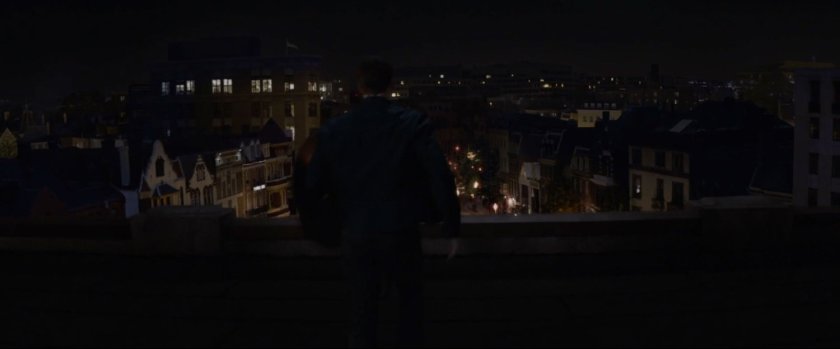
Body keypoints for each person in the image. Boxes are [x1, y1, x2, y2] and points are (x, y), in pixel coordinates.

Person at [302, 59, 460, 347]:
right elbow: (439, 174)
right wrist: (450, 227)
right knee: (409, 309)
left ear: (359, 88)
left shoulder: (335, 129)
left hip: (357, 231)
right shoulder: (413, 122)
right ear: (391, 86)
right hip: (401, 230)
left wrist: (317, 226)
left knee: (362, 312)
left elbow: (312, 183)